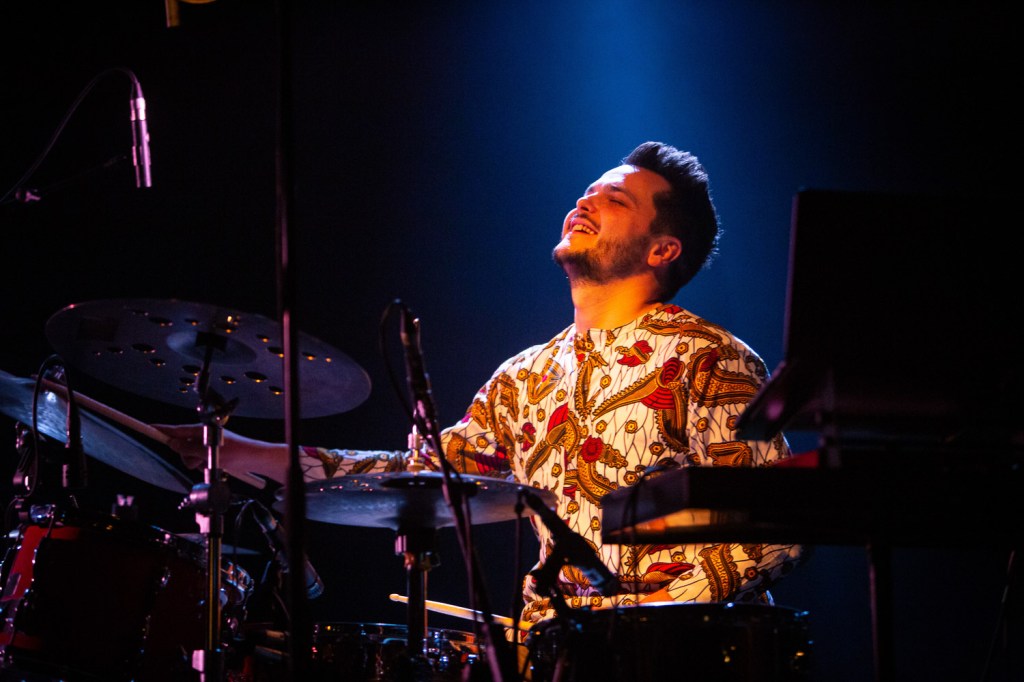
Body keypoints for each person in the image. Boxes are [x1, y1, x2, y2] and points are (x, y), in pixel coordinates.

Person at [158, 140, 803, 634]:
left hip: (684, 653)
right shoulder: (524, 378)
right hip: (562, 647)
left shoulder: (709, 359)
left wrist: (652, 609)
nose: (584, 203)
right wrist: (240, 451)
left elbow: (782, 521)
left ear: (663, 249)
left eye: (616, 200)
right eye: (587, 192)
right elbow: (421, 478)